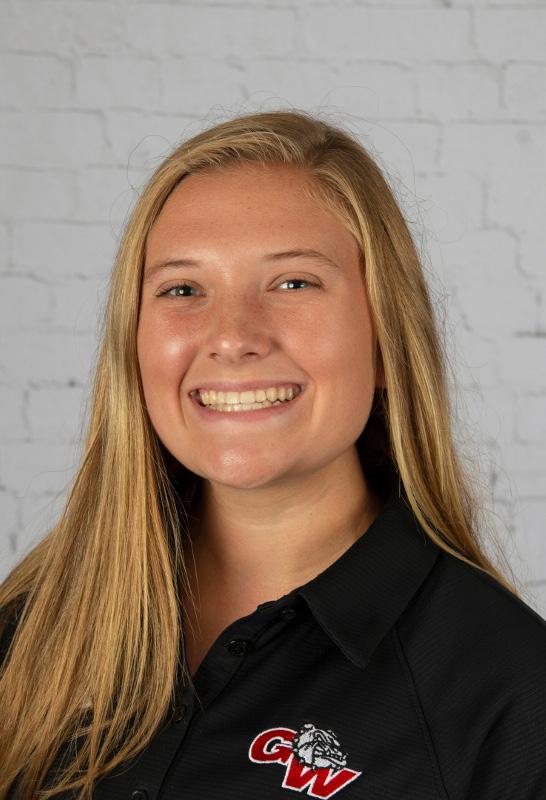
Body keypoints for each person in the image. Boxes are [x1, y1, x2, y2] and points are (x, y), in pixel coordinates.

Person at [0, 109, 544, 799]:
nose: (232, 337)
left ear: (387, 339)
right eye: (183, 289)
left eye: (293, 282)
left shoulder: (508, 695)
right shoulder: (32, 630)